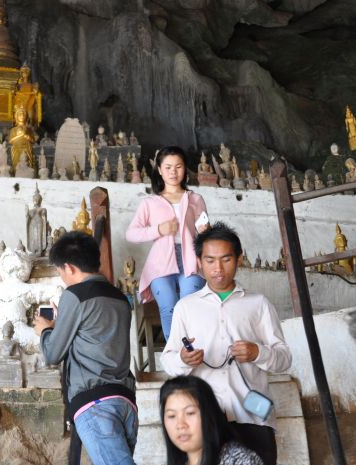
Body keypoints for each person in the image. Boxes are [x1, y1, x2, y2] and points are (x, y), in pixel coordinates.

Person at [161, 223, 292, 465]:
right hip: (205, 423)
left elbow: (284, 358)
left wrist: (257, 352)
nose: (218, 268)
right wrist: (183, 359)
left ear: (239, 259)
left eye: (226, 259)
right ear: (199, 261)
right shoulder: (186, 307)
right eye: (210, 260)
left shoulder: (258, 304)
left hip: (253, 418)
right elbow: (168, 362)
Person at [34, 231, 137, 465]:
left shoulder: (74, 295)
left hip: (96, 403)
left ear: (69, 268)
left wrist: (46, 330)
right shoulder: (120, 298)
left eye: (60, 272)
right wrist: (65, 322)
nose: (62, 278)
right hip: (125, 401)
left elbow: (52, 353)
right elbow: (96, 335)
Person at [125, 146, 209, 340]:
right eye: (168, 167)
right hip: (160, 262)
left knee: (190, 306)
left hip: (190, 258)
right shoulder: (149, 203)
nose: (173, 171)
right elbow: (131, 234)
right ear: (160, 170)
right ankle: (177, 355)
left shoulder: (195, 199)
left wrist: (206, 235)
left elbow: (204, 230)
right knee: (169, 307)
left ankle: (194, 352)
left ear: (185, 169)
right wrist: (159, 230)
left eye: (178, 166)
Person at [160, 375, 264, 465]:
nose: (180, 425)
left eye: (190, 413)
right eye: (171, 416)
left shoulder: (239, 460)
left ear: (209, 414)